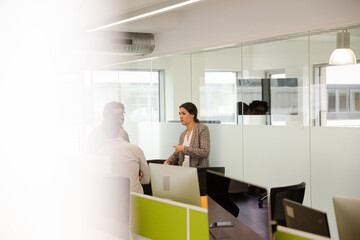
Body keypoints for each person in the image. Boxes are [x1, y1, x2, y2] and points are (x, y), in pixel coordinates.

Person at [96, 115, 150, 194]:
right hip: (135, 200)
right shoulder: (135, 149)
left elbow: (99, 182)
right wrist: (134, 181)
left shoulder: (98, 154)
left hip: (110, 201)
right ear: (121, 130)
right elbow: (146, 179)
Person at [164, 102, 210, 167]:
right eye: (180, 114)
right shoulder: (183, 135)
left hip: (198, 172)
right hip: (183, 171)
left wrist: (184, 148)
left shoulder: (202, 129)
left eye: (184, 113)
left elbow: (205, 152)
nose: (180, 116)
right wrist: (168, 161)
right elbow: (178, 153)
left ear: (192, 115)